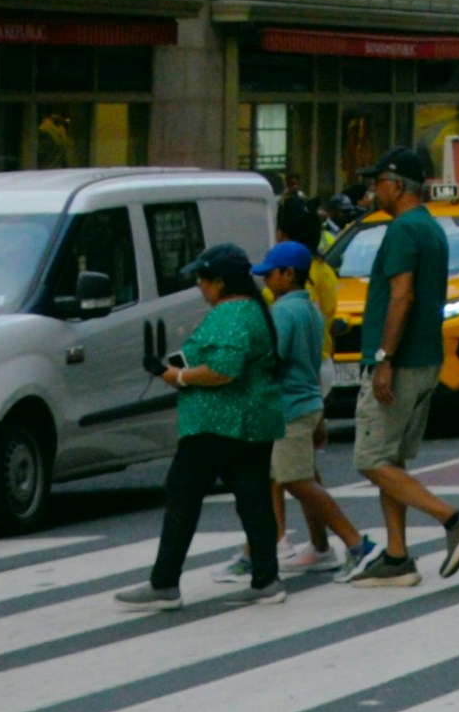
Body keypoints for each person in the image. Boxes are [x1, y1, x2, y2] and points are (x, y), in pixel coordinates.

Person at [347, 148, 459, 584]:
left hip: (402, 360)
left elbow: (402, 296)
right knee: (392, 459)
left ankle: (452, 518)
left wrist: (384, 358)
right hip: (426, 359)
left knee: (370, 460)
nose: (373, 190)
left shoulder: (403, 231)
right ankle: (397, 556)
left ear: (397, 185)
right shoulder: (430, 227)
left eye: (379, 182)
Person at [118, 246, 286, 613]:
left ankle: (164, 582)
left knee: (182, 493)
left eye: (202, 279)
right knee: (253, 498)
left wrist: (176, 375)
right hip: (253, 420)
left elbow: (224, 368)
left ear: (220, 282)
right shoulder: (255, 310)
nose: (199, 287)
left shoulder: (230, 313)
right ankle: (266, 578)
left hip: (218, 421)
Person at [256, 241, 372, 583]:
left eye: (271, 274)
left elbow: (272, 359)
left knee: (295, 479)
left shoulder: (283, 313)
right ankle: (321, 546)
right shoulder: (310, 310)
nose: (266, 281)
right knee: (303, 476)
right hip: (309, 400)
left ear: (288, 274)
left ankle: (357, 545)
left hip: (287, 405)